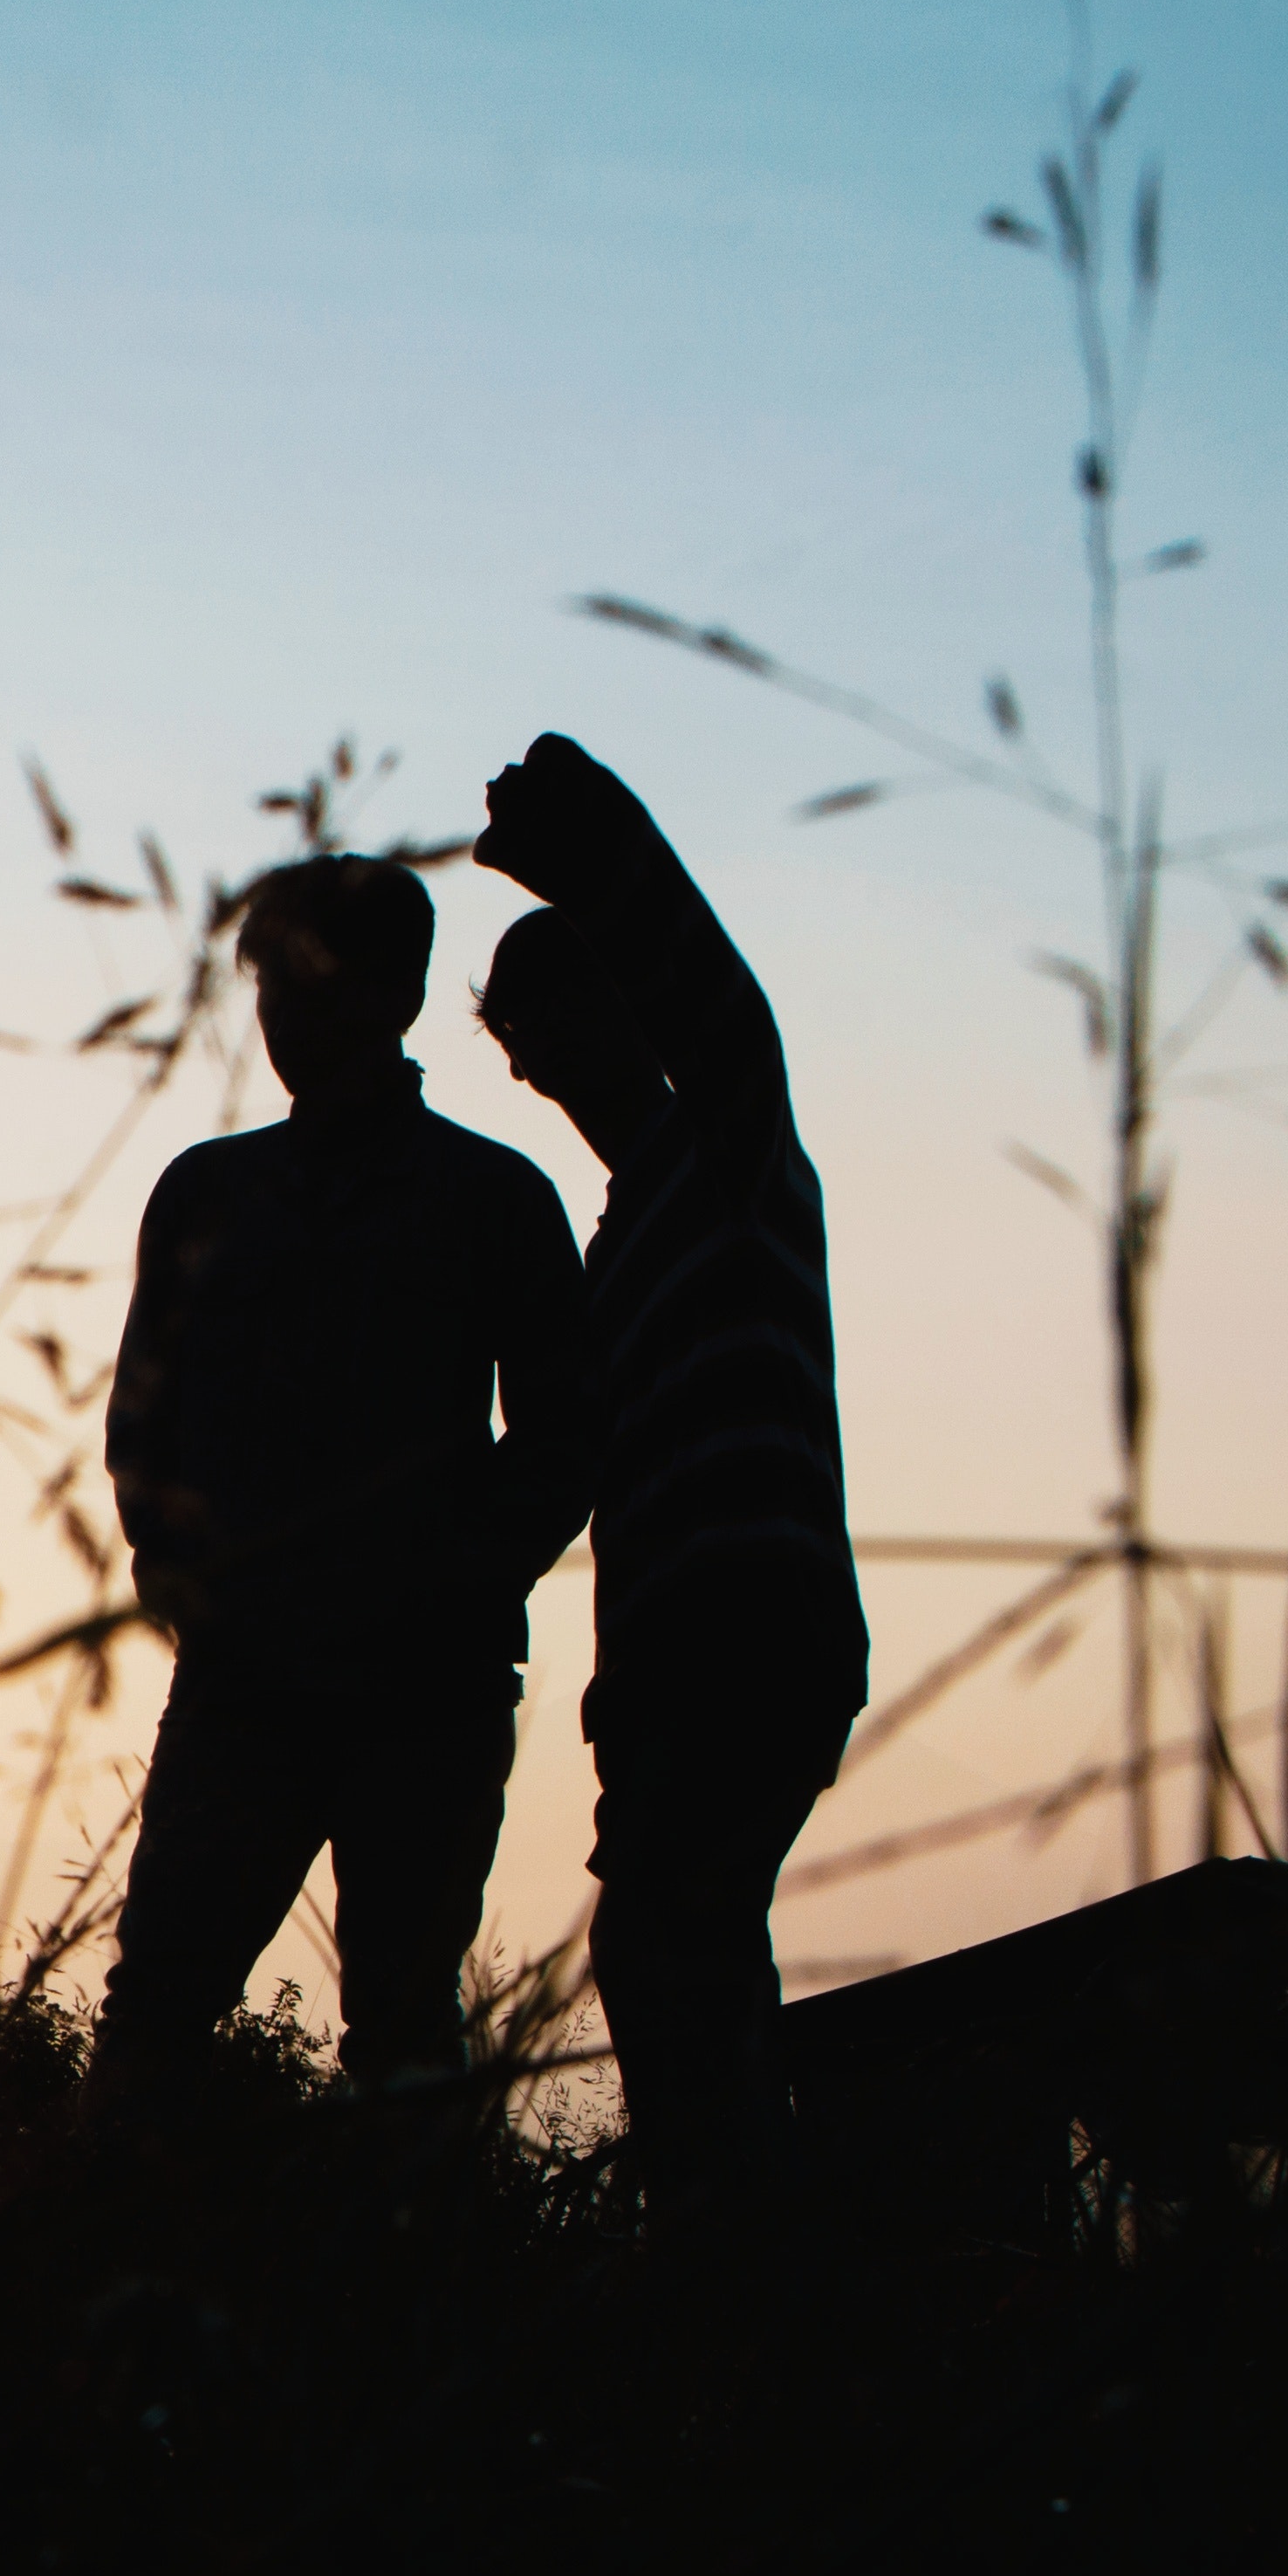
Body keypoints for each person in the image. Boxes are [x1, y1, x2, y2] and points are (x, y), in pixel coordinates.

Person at [89, 855, 591, 2106]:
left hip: (426, 1687)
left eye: (305, 981)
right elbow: (143, 1417)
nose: (280, 1013)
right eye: (268, 983)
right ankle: (100, 2278)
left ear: (396, 993)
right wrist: (176, 1568)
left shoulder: (492, 1199)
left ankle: (402, 2295)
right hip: (246, 1680)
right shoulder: (209, 1192)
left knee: (406, 2036)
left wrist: (455, 1584)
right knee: (155, 2012)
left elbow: (566, 1439)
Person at [471, 733, 867, 2208]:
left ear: (623, 1003)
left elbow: (724, 1004)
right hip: (660, 1678)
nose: (549, 1052)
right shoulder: (616, 1248)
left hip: (757, 1632)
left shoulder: (734, 1150)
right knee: (676, 1963)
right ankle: (742, 2258)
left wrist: (579, 844)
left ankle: (748, 2262)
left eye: (566, 1009)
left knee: (667, 1949)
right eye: (524, 1034)